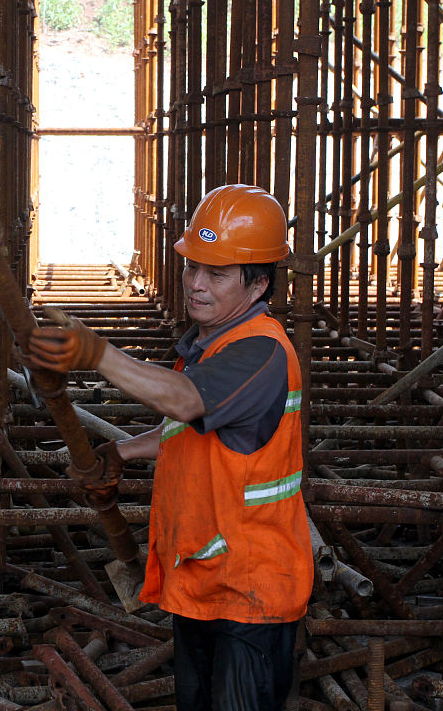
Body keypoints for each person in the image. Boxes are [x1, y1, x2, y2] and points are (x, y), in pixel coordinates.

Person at [24, 184, 313, 711]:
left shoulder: (261, 353)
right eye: (191, 268)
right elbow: (198, 433)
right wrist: (124, 453)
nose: (196, 284)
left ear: (260, 283)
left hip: (251, 591)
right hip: (208, 581)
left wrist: (96, 353)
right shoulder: (214, 344)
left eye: (217, 273)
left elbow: (184, 404)